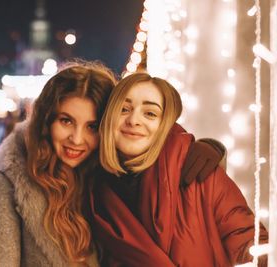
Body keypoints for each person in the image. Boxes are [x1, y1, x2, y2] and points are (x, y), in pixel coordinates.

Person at [0, 62, 223, 266]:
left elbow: (168, 157)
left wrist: (208, 149)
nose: (77, 139)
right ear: (46, 122)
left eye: (92, 126)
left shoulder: (115, 179)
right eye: (66, 120)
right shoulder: (9, 187)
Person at [89, 72, 269, 267]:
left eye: (150, 113)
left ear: (165, 124)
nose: (133, 120)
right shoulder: (90, 190)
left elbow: (251, 244)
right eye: (124, 109)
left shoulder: (201, 176)